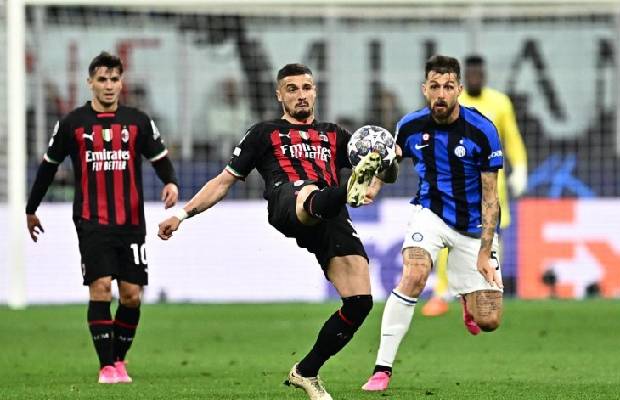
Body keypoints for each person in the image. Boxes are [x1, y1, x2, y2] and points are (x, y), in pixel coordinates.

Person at [157, 63, 395, 400]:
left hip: (331, 216)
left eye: (307, 87)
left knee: (359, 303)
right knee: (308, 190)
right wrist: (182, 214)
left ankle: (306, 371)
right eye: (292, 89)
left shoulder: (335, 135)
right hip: (289, 200)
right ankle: (346, 190)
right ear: (279, 95)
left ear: (315, 92)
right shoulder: (263, 133)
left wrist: (386, 164)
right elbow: (223, 182)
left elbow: (380, 181)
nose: (301, 94)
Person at [25, 51, 179, 384]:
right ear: (90, 82)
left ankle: (118, 360)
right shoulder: (73, 123)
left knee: (131, 295)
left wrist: (170, 182)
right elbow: (48, 167)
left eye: (114, 79)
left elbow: (160, 158)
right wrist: (31, 208)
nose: (109, 85)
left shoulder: (137, 121)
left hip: (131, 222)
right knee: (100, 288)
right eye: (102, 79)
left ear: (121, 83)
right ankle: (106, 367)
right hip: (91, 221)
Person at [360, 55, 504, 391]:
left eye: (448, 87)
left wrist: (484, 252)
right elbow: (390, 163)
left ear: (459, 89)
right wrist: (373, 187)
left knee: (489, 320)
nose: (441, 94)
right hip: (431, 213)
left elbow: (490, 198)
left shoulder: (482, 131)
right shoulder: (410, 126)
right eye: (435, 86)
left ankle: (467, 299)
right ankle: (382, 369)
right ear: (424, 89)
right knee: (414, 274)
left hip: (472, 226)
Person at [421, 54, 528, 317]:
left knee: (491, 243)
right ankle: (441, 294)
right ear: (463, 79)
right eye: (470, 74)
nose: (475, 78)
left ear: (484, 75)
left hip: (491, 189)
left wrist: (521, 167)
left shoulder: (500, 103)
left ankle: (482, 295)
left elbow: (512, 138)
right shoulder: (453, 101)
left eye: (479, 74)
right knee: (447, 240)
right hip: (456, 189)